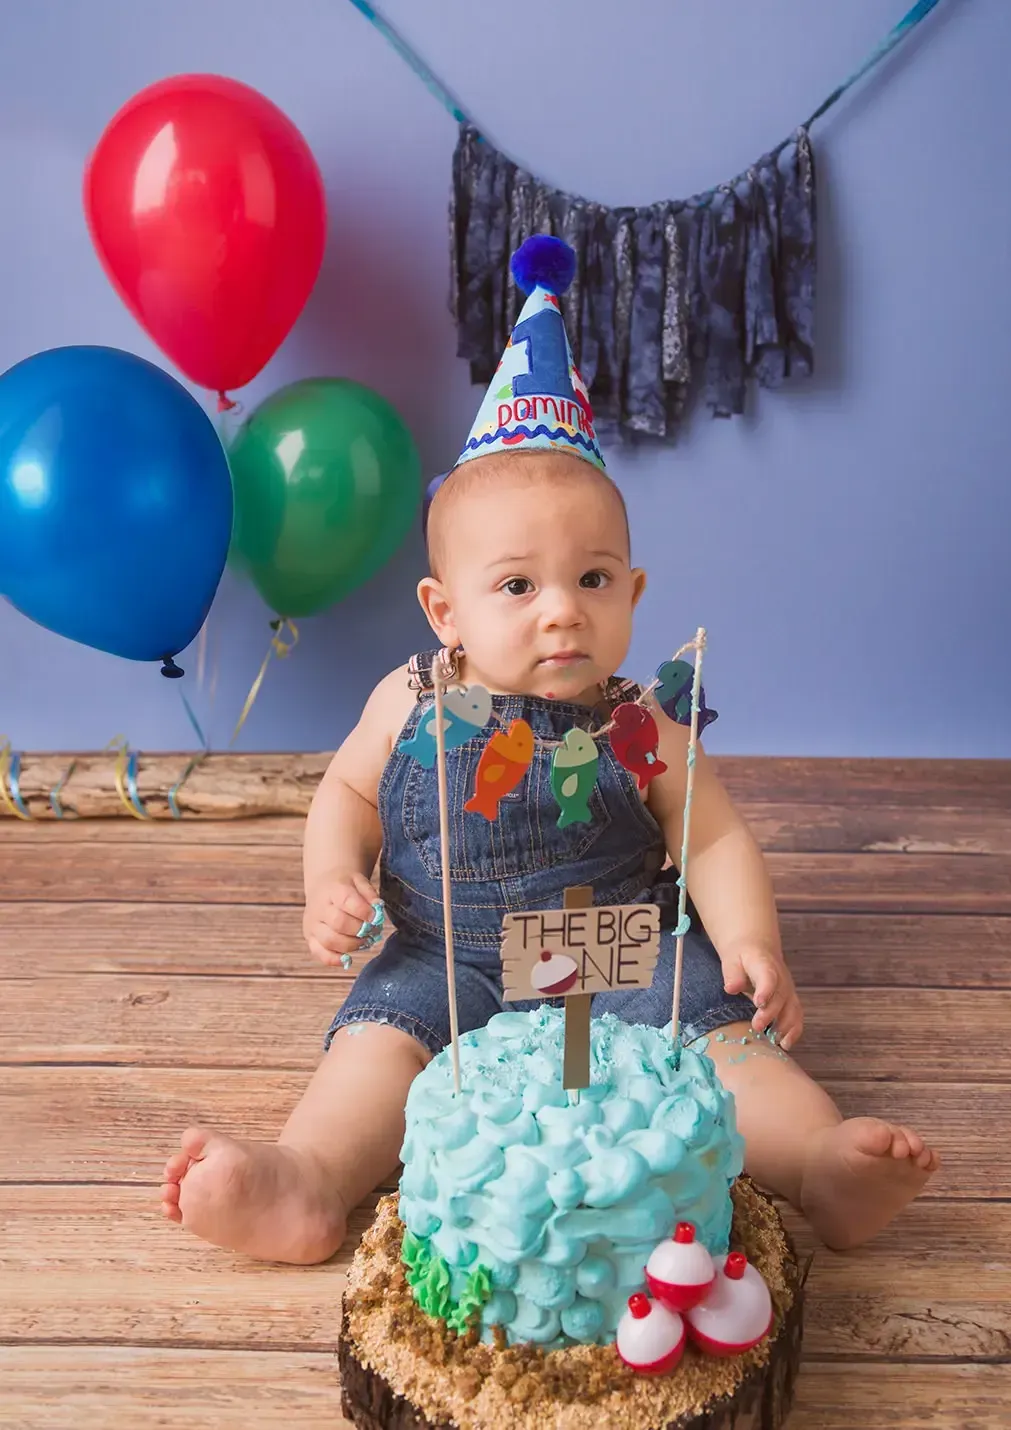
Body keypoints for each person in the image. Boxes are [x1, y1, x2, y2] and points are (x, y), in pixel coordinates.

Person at [160, 239, 938, 1265]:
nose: (563, 611)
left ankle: (819, 1161)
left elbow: (712, 839)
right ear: (446, 610)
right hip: (450, 959)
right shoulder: (410, 701)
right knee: (375, 1057)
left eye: (595, 578)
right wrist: (330, 875)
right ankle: (308, 1179)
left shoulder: (638, 725)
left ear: (636, 592)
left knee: (720, 1041)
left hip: (619, 945)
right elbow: (346, 792)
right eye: (519, 585)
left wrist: (753, 940)